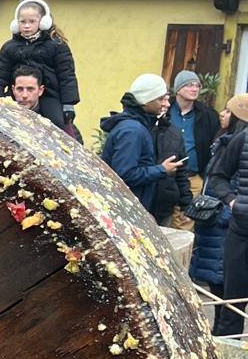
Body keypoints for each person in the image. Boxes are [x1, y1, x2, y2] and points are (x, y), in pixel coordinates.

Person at [193, 97, 248, 324]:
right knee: (231, 298)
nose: (222, 115)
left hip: (230, 221)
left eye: (228, 111)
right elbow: (218, 176)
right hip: (238, 226)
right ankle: (225, 339)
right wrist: (232, 202)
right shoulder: (239, 140)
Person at [0, 0, 79, 130]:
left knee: (57, 125)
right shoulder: (9, 47)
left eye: (31, 21)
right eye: (23, 22)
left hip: (48, 95)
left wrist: (68, 104)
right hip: (16, 94)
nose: (27, 25)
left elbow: (67, 76)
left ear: (43, 22)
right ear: (16, 23)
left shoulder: (57, 46)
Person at [99, 74, 183, 211]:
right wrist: (162, 169)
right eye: (161, 99)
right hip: (126, 207)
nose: (167, 104)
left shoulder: (137, 126)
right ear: (145, 101)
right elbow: (124, 175)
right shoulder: (133, 131)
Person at [168, 69, 221, 201]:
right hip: (166, 177)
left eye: (197, 85)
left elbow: (217, 145)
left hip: (193, 178)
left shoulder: (208, 115)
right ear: (178, 89)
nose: (195, 89)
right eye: (189, 85)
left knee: (188, 213)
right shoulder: (165, 111)